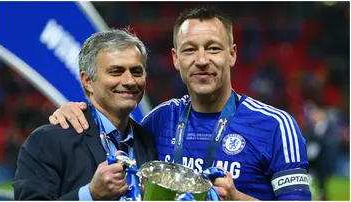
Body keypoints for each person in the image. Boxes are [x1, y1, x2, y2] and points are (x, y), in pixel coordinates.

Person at [48, 7, 311, 200]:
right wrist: (77, 108)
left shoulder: (276, 126)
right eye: (189, 50)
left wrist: (236, 199)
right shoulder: (158, 120)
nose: (201, 60)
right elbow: (111, 128)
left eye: (213, 48)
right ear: (176, 59)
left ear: (232, 54)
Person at [13, 29, 158, 200]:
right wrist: (89, 195)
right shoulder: (47, 141)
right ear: (88, 81)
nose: (129, 81)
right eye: (116, 71)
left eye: (136, 72)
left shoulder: (148, 141)